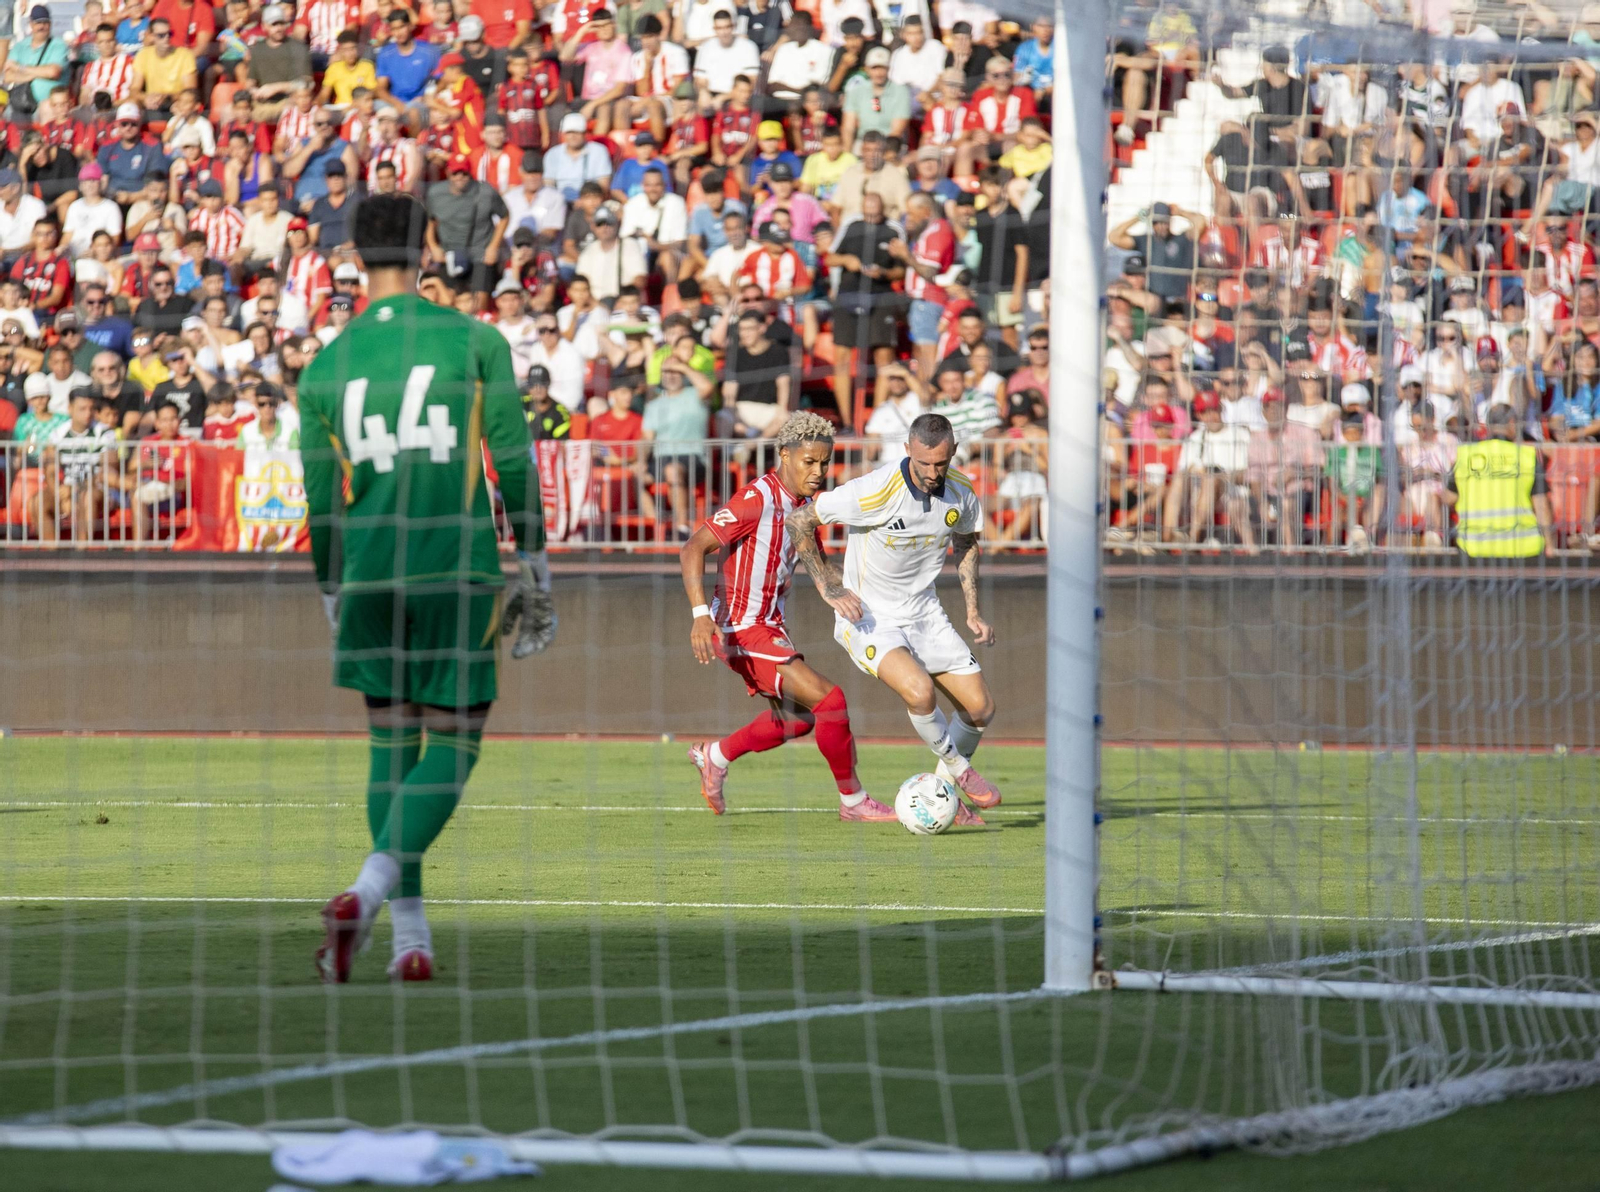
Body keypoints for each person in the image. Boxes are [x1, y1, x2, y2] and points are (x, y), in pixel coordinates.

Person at [298, 192, 555, 985]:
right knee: (453, 741)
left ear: (351, 255)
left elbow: (318, 497)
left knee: (388, 744)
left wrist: (332, 590)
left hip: (370, 570)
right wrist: (535, 565)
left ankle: (411, 940)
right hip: (455, 565)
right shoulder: (475, 340)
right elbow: (511, 459)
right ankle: (368, 896)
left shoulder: (325, 365)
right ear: (431, 246)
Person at [785, 412, 1001, 820]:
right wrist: (828, 584)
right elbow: (800, 521)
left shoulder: (961, 492)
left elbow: (967, 542)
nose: (933, 472)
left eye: (941, 463)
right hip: (870, 616)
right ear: (908, 451)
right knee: (920, 692)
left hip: (925, 612)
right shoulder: (874, 491)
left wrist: (972, 610)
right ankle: (960, 770)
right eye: (923, 463)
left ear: (953, 451)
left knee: (980, 708)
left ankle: (942, 795)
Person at [680, 411, 893, 821]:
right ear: (784, 455)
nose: (819, 471)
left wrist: (836, 590)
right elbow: (692, 547)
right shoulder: (756, 498)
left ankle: (715, 756)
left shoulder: (805, 506)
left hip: (768, 626)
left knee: (796, 722)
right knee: (831, 701)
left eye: (825, 462)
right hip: (739, 628)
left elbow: (816, 560)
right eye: (809, 462)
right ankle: (854, 802)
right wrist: (699, 614)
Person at [1446, 402, 1555, 557]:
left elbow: (1448, 498)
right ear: (1512, 423)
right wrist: (1550, 546)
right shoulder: (1526, 456)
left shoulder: (1466, 456)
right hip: (1522, 550)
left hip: (1474, 549)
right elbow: (1542, 505)